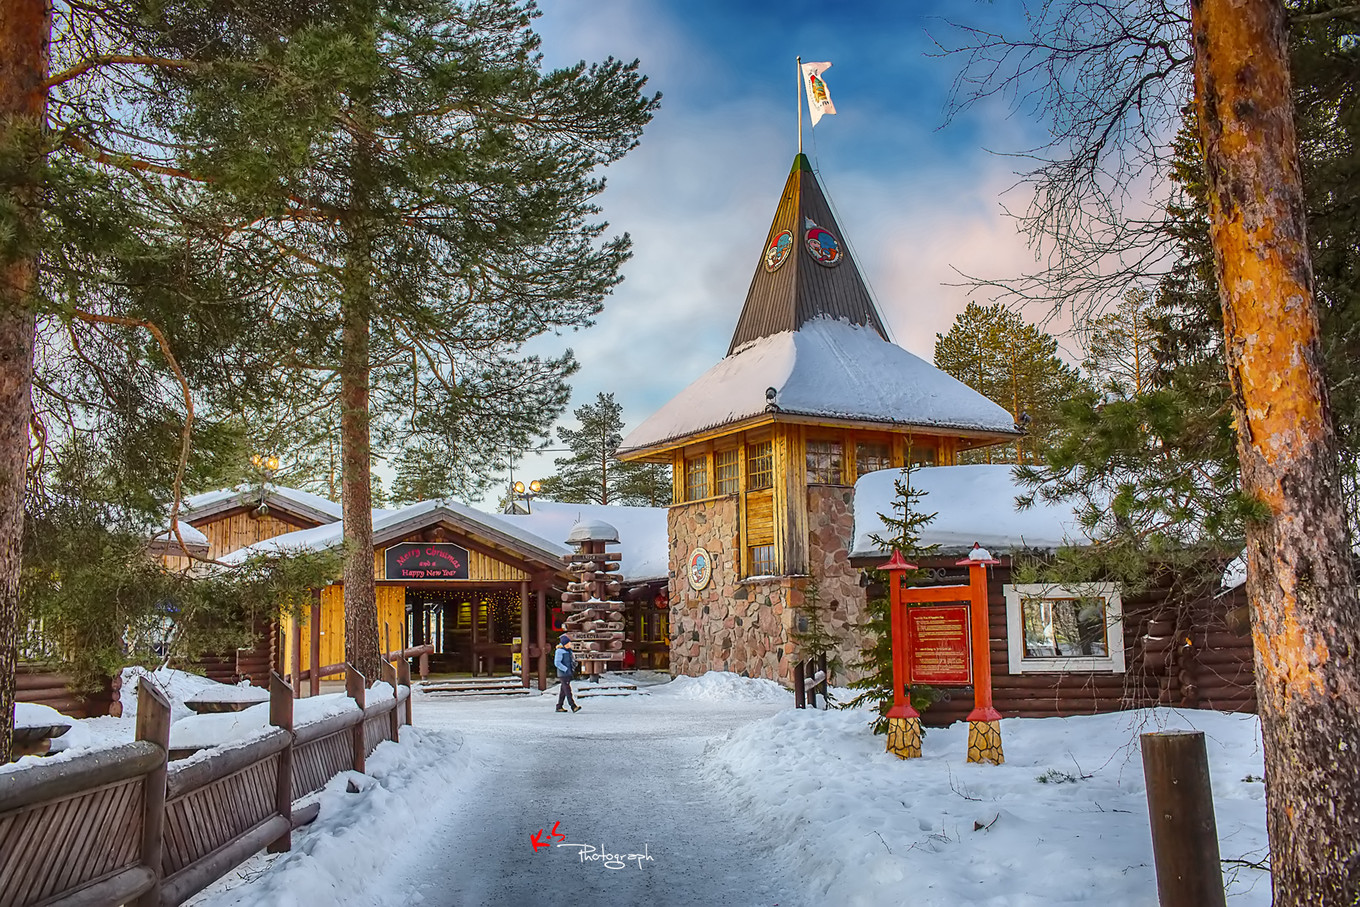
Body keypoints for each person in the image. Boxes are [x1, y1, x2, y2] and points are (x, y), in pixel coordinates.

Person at [554, 634, 581, 713]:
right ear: (564, 643)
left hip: (568, 673)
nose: (570, 644)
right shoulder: (559, 651)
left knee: (563, 690)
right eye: (568, 643)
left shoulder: (568, 651)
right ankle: (573, 706)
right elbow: (557, 663)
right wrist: (565, 669)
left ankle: (559, 706)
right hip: (563, 674)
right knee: (567, 690)